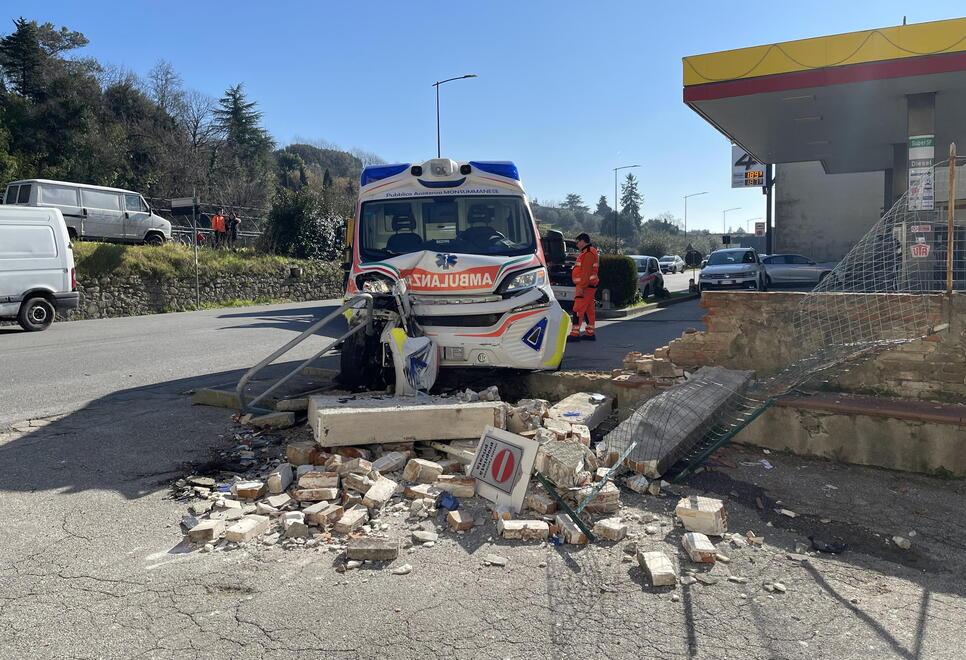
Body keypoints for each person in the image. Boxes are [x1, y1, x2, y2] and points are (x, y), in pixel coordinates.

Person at [569, 232, 599, 342]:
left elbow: (586, 273)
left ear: (582, 241)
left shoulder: (588, 253)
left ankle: (575, 334)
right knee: (589, 310)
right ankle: (590, 333)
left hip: (585, 287)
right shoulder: (591, 252)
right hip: (589, 286)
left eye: (577, 242)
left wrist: (581, 287)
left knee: (577, 309)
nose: (577, 245)